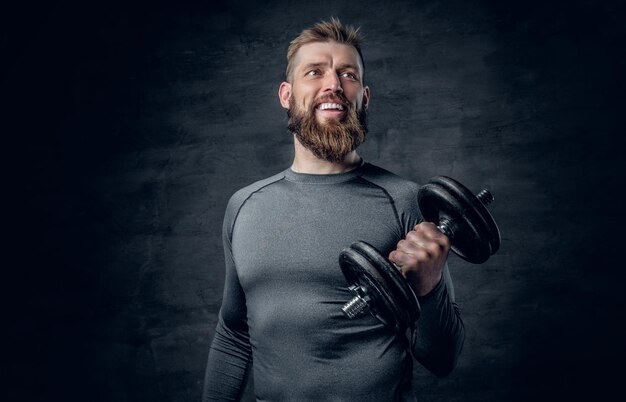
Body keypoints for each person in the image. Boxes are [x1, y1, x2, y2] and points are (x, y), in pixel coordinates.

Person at [202, 17, 464, 402]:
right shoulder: (244, 206)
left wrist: (430, 287)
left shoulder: (406, 200)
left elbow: (444, 358)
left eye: (348, 75)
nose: (334, 85)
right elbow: (234, 334)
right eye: (315, 72)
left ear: (364, 97)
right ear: (286, 95)